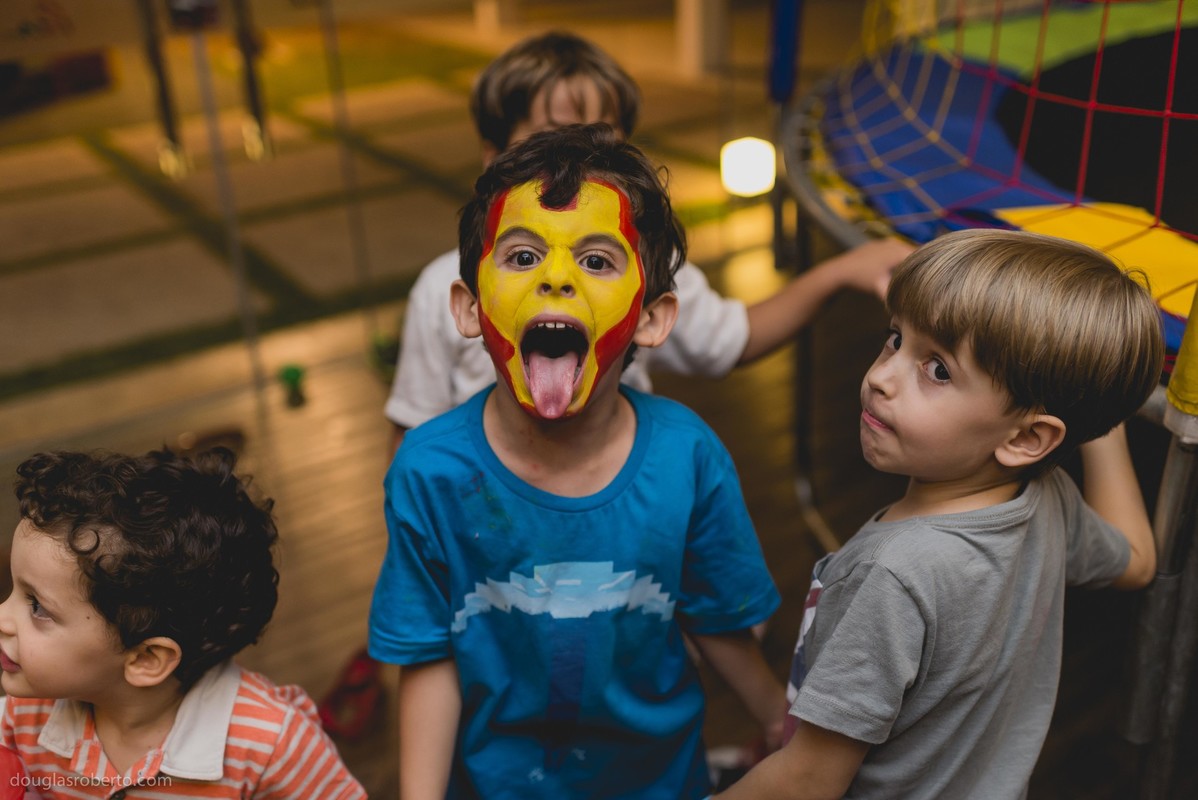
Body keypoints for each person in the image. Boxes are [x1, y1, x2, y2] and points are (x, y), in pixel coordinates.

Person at [369, 124, 786, 799]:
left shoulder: (689, 457)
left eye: (596, 261)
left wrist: (781, 724)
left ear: (651, 319)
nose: (557, 278)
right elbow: (426, 655)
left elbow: (720, 622)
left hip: (660, 783)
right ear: (470, 308)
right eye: (524, 255)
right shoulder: (428, 470)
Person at [712, 229, 1164, 799]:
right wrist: (1098, 418)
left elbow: (807, 780)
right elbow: (1138, 558)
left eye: (938, 370)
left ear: (1028, 437)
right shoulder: (1044, 504)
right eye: (895, 338)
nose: (881, 376)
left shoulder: (890, 574)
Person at [384, 30, 913, 449]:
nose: (579, 166)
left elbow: (735, 338)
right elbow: (411, 432)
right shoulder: (443, 287)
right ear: (494, 155)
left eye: (602, 143)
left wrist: (839, 271)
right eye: (551, 140)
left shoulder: (647, 271)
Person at [0, 448, 367, 799]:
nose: (3, 616)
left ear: (146, 658)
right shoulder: (23, 716)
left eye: (37, 607)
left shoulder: (271, 748)